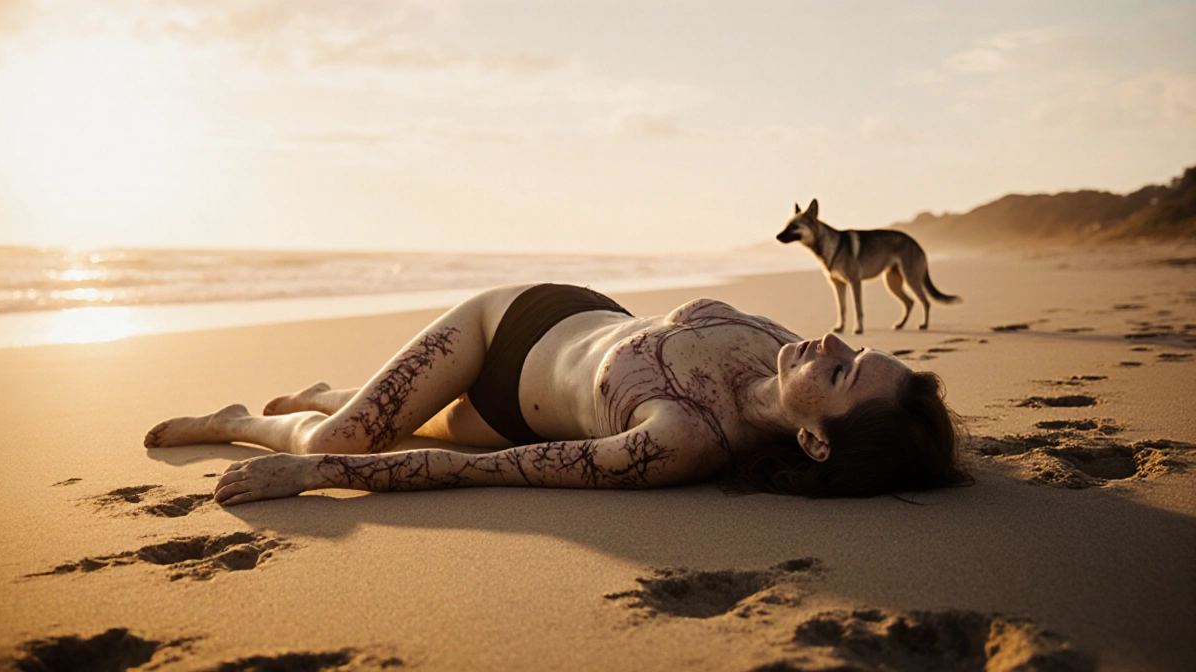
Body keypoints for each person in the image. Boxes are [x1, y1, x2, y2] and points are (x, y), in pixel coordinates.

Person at [145, 283, 968, 506]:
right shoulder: (778, 341)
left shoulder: (681, 438)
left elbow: (505, 471)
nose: (829, 343)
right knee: (346, 432)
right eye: (852, 349)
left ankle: (276, 416)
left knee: (337, 454)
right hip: (512, 319)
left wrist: (320, 483)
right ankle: (261, 418)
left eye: (841, 372)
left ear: (815, 442)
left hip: (509, 413)